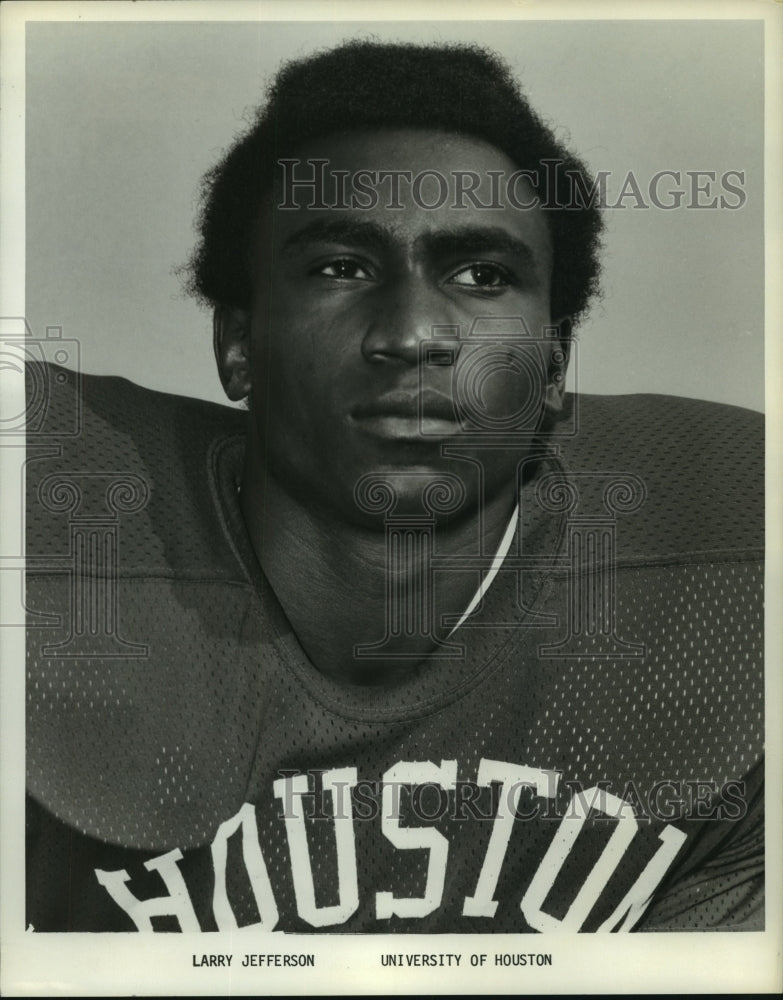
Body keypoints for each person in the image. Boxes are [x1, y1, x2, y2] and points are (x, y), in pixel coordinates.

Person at [25, 40, 763, 933]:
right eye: (341, 267)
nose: (414, 333)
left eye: (481, 276)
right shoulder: (52, 499)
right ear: (237, 343)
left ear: (555, 364)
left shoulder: (731, 533)